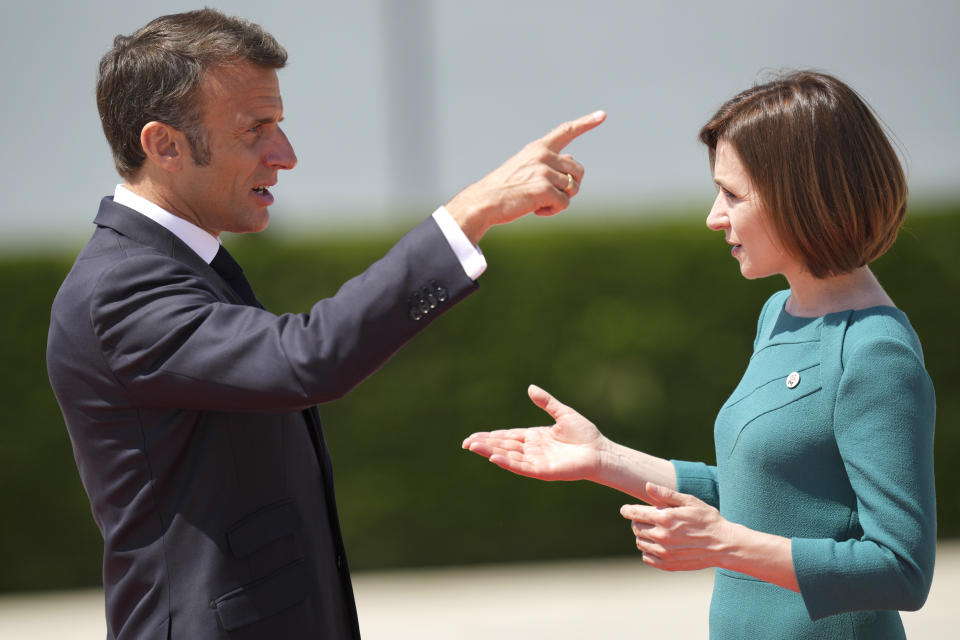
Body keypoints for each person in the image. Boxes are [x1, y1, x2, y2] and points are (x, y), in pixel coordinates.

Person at [45, 8, 604, 640]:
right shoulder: (120, 287)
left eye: (279, 125)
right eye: (255, 129)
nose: (284, 155)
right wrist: (469, 213)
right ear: (164, 145)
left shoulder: (179, 262)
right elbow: (305, 358)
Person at [462, 70, 936, 639]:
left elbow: (901, 570)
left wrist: (723, 544)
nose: (714, 216)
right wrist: (603, 458)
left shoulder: (875, 351)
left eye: (733, 194)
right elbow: (760, 495)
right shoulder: (778, 313)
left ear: (803, 195)